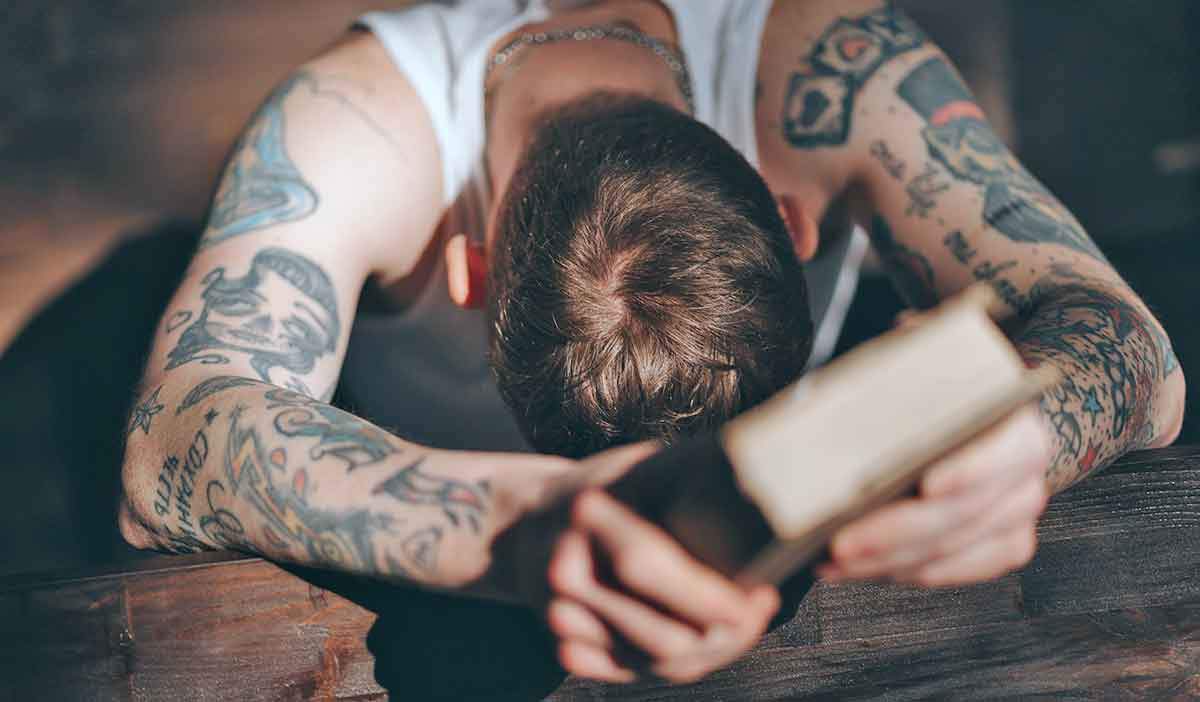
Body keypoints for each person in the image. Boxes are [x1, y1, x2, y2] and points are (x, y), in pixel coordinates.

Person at [118, 0, 1185, 687]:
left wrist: (1020, 442)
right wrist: (531, 525)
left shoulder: (829, 74)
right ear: (466, 268)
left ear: (787, 208)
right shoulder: (358, 131)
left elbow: (1126, 341)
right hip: (454, 611)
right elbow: (170, 444)